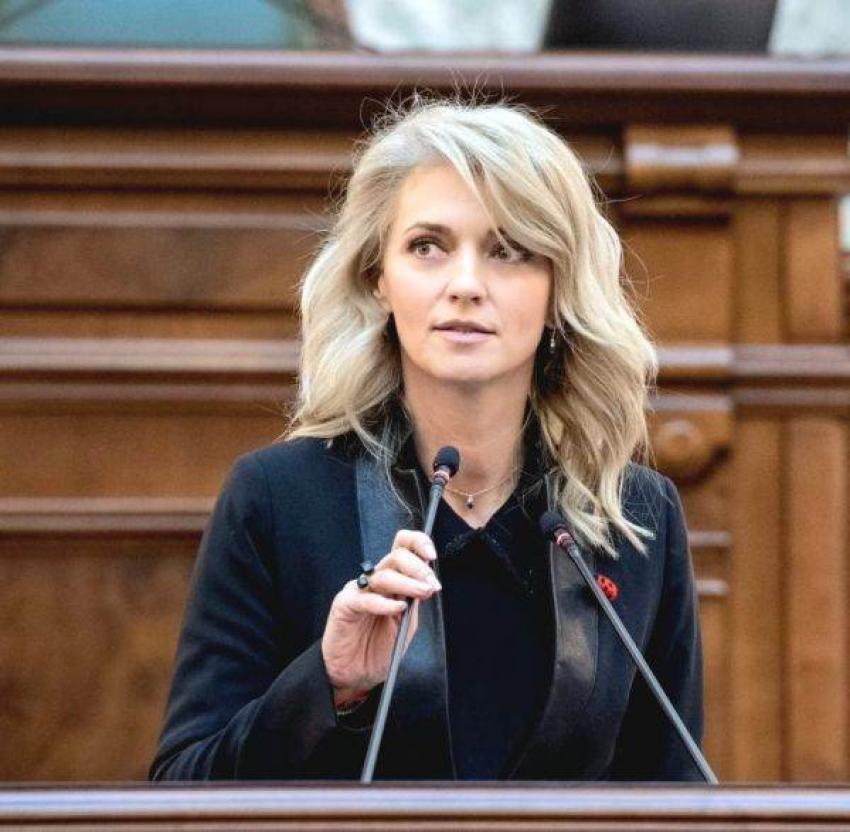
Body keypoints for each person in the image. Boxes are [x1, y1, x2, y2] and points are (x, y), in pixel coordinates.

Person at [149, 92, 705, 782]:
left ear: (557, 289)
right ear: (378, 279)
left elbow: (677, 796)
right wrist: (329, 682)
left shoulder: (636, 516)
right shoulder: (277, 499)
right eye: (427, 247)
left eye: (508, 250)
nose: (466, 284)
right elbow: (182, 790)